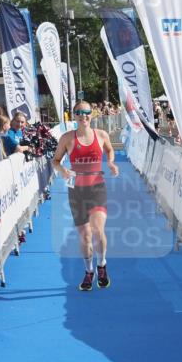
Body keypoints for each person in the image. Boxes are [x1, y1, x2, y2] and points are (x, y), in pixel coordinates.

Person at [52, 101, 119, 291]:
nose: (84, 116)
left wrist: (111, 163)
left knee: (98, 230)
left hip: (97, 188)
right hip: (77, 191)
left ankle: (102, 264)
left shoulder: (101, 135)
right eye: (79, 113)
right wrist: (63, 170)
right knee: (85, 236)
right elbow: (55, 161)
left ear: (92, 114)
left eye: (87, 112)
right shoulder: (67, 138)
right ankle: (89, 271)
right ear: (74, 116)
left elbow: (109, 149)